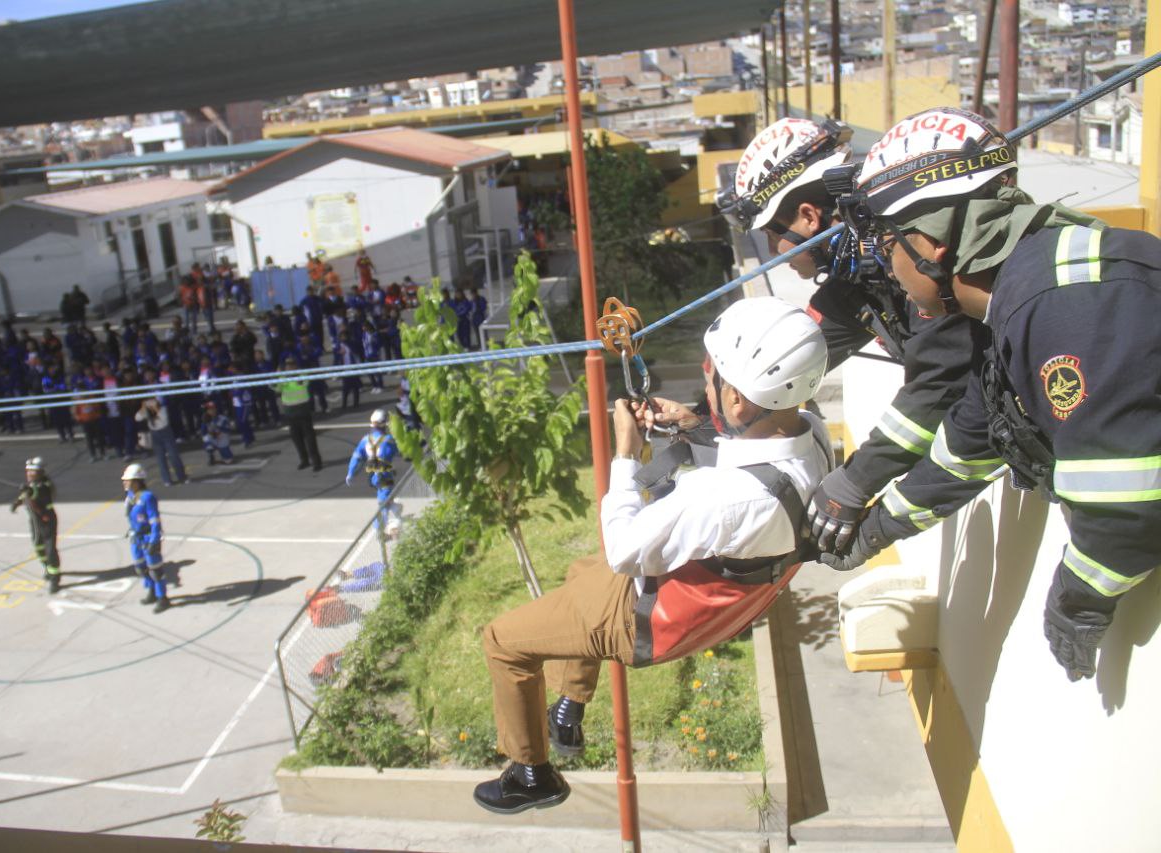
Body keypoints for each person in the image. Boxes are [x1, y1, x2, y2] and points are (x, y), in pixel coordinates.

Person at [820, 108, 1161, 682]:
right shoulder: (1019, 299)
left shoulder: (1066, 300)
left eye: (885, 244)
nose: (886, 266)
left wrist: (1079, 601)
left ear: (928, 241)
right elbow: (972, 442)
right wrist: (879, 529)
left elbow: (1124, 501)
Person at [472, 297, 831, 815]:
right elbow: (750, 459)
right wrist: (691, 425)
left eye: (711, 378)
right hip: (694, 599)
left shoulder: (724, 499)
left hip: (647, 618)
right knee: (580, 573)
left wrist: (626, 452)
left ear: (737, 402)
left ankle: (531, 773)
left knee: (503, 641)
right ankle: (569, 705)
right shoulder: (812, 436)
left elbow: (624, 548)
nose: (704, 384)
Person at [717, 116, 978, 557]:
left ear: (807, 216)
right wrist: (699, 419)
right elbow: (777, 368)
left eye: (771, 236)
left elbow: (941, 383)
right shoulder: (857, 280)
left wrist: (855, 481)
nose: (774, 255)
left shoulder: (915, 248)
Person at [122, 463, 170, 613]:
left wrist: (154, 540)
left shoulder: (147, 497)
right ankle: (151, 591)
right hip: (136, 537)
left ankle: (162, 597)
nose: (125, 482)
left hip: (148, 537)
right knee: (140, 568)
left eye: (128, 480)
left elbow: (154, 520)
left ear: (137, 481)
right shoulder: (130, 496)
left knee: (155, 569)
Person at [11, 457, 61, 593]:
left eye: (31, 471)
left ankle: (55, 578)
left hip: (46, 519)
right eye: (27, 471)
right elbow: (26, 495)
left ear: (39, 472)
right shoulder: (32, 484)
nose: (28, 474)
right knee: (38, 545)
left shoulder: (44, 485)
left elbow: (36, 495)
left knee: (50, 549)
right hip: (35, 521)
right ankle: (47, 567)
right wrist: (17, 503)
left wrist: (28, 491)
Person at [346, 409, 399, 532]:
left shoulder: (365, 440)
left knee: (386, 497)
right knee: (383, 504)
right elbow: (400, 451)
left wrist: (351, 473)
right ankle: (379, 529)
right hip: (385, 476)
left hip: (373, 476)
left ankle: (394, 511)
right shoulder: (389, 440)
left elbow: (356, 458)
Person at [274, 356, 322, 471]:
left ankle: (316, 462)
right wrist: (278, 376)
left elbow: (303, 383)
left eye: (291, 365)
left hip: (303, 410)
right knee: (297, 439)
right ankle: (304, 460)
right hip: (290, 412)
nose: (289, 367)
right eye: (287, 365)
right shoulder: (282, 378)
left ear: (296, 366)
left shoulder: (301, 375)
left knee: (310, 439)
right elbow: (276, 389)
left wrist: (289, 376)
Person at [135, 395, 189, 486]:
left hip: (166, 433)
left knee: (173, 455)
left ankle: (182, 477)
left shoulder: (163, 409)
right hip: (155, 435)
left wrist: (156, 409)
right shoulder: (147, 412)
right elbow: (137, 418)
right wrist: (143, 408)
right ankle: (167, 480)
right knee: (160, 458)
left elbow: (163, 421)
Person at [201, 401, 236, 466]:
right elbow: (203, 433)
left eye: (213, 408)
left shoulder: (222, 418)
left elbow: (228, 430)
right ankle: (211, 456)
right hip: (214, 438)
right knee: (207, 441)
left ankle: (226, 454)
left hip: (222, 438)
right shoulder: (205, 420)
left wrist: (218, 428)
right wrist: (210, 432)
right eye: (210, 409)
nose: (212, 411)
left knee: (228, 460)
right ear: (207, 411)